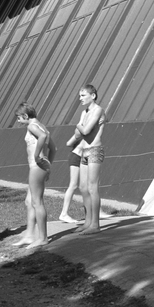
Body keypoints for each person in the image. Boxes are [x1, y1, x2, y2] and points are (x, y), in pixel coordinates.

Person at [63, 84, 106, 234]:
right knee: (83, 187)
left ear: (92, 96)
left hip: (95, 150)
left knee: (93, 187)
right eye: (79, 96)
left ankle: (95, 224)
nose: (80, 99)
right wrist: (80, 128)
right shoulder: (84, 112)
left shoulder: (98, 110)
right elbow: (78, 134)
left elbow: (84, 131)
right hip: (84, 151)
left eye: (83, 95)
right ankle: (88, 222)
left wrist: (79, 126)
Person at [15, 103, 53, 247]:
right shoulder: (42, 125)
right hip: (41, 165)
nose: (18, 121)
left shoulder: (32, 126)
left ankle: (43, 238)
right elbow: (53, 147)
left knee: (37, 202)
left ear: (25, 116)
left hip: (36, 165)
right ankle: (30, 235)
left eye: (19, 118)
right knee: (29, 201)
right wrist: (48, 165)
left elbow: (42, 137)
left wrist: (37, 156)